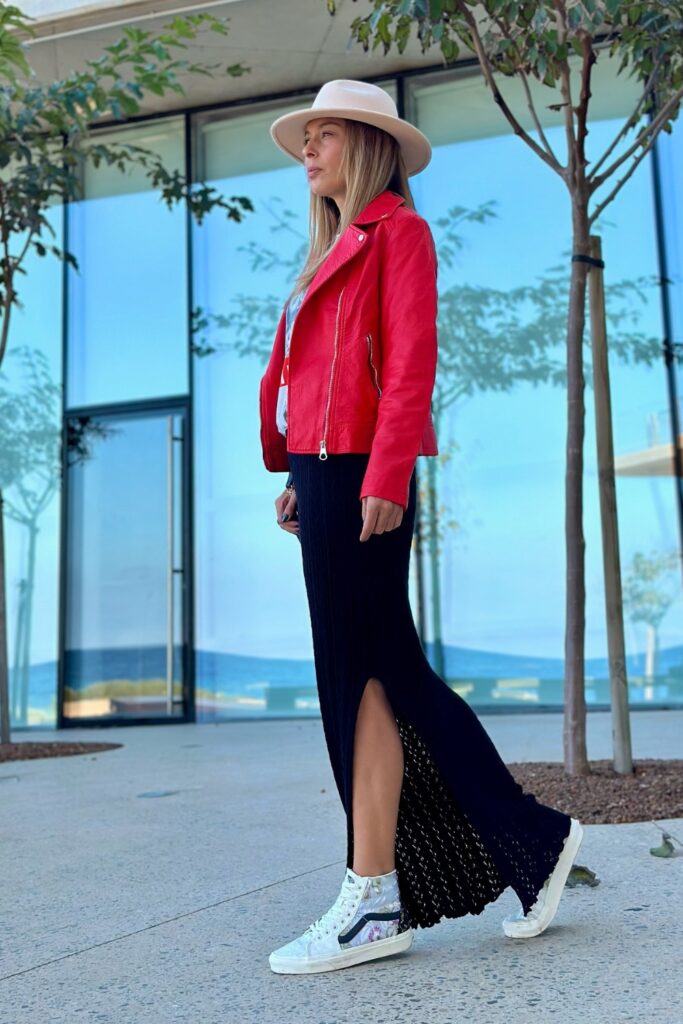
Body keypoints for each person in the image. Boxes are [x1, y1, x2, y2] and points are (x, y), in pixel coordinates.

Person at [258, 79, 584, 976]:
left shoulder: (398, 234)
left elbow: (409, 363)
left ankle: (381, 895)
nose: (306, 154)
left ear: (363, 145)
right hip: (325, 476)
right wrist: (294, 467)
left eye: (321, 138)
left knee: (370, 672)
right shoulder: (330, 248)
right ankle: (490, 854)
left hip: (366, 475)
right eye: (305, 142)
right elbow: (314, 379)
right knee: (370, 675)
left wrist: (387, 473)